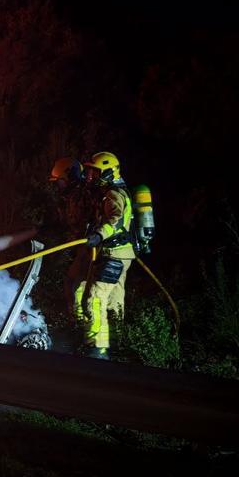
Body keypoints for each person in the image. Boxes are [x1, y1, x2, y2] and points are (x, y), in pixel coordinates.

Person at [73, 152, 136, 360]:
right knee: (115, 299)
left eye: (95, 172)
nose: (90, 176)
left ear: (108, 172)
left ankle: (97, 347)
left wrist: (99, 235)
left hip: (113, 254)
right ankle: (117, 344)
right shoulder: (116, 191)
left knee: (96, 298)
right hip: (123, 254)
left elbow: (116, 220)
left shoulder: (112, 194)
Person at [48, 157, 96, 320]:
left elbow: (81, 224)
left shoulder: (84, 194)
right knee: (70, 282)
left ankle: (82, 325)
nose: (57, 186)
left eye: (59, 181)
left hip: (92, 250)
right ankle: (76, 322)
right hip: (83, 248)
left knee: (78, 287)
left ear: (70, 176)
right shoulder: (72, 197)